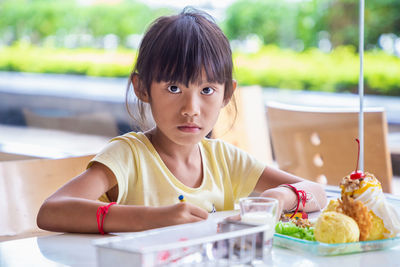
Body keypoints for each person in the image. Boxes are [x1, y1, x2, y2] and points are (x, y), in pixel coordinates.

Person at [37, 7, 327, 234]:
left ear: (227, 94)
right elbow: (51, 211)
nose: (191, 108)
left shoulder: (224, 160)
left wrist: (278, 199)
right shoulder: (129, 156)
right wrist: (151, 218)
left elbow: (317, 192)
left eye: (207, 90)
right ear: (141, 88)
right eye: (174, 88)